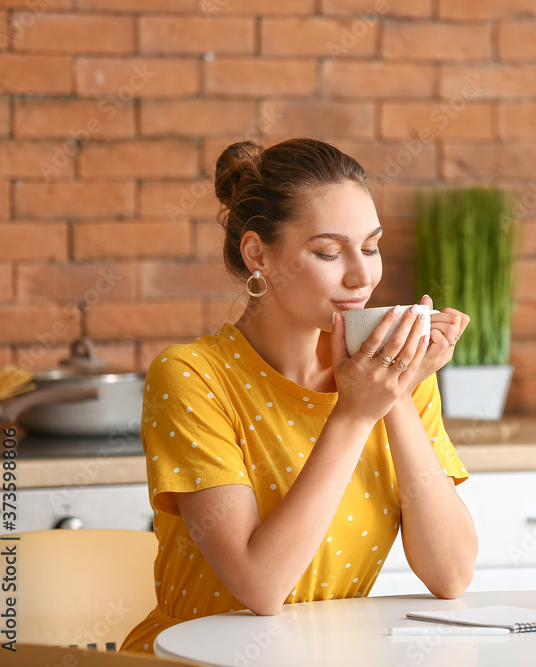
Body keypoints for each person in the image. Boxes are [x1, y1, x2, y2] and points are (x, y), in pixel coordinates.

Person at [120, 138, 477, 654]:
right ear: (258, 254)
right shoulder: (192, 376)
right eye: (328, 252)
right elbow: (261, 587)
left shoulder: (394, 379)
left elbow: (451, 575)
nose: (362, 276)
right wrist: (355, 413)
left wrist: (395, 393)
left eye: (372, 247)